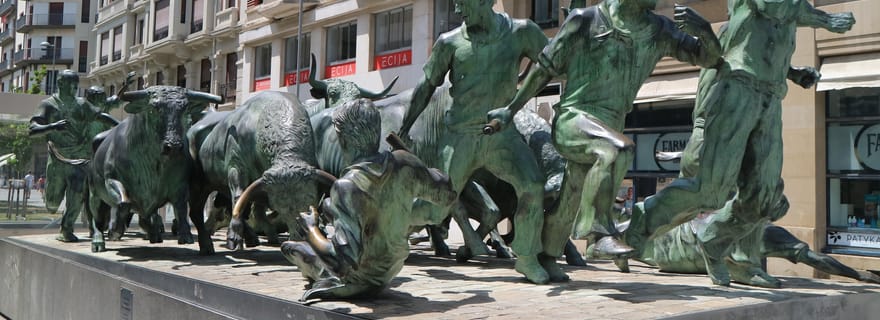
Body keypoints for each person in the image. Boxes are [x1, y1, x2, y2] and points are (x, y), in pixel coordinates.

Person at [625, 0, 855, 286]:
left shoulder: (795, 9)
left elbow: (760, 41)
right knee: (710, 191)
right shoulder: (788, 6)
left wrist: (792, 72)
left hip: (770, 95)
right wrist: (825, 20)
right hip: (738, 87)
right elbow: (772, 7)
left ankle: (722, 247)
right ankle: (640, 222)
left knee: (763, 197)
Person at [486, 0, 722, 277]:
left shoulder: (659, 30)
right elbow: (543, 70)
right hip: (574, 120)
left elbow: (709, 58)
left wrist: (705, 31)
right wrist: (510, 109)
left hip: (610, 124)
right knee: (617, 150)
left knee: (571, 199)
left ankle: (546, 256)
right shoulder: (585, 20)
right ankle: (598, 235)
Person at [397, 0, 553, 283]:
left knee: (532, 185)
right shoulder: (450, 42)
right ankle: (396, 220)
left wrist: (517, 104)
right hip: (460, 138)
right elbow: (426, 86)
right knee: (436, 208)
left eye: (462, 3)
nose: (457, 11)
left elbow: (551, 66)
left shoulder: (522, 32)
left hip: (503, 136)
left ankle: (528, 257)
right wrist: (405, 127)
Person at [281, 100, 456, 300]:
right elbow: (446, 196)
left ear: (344, 140)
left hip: (361, 277)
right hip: (392, 268)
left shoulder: (346, 186)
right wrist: (420, 167)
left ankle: (320, 277)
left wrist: (311, 229)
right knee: (329, 207)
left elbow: (342, 264)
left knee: (291, 248)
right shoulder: (405, 162)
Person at [29, 70, 119, 242]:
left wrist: (121, 127)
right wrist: (53, 126)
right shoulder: (48, 105)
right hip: (57, 160)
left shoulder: (82, 104)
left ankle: (66, 229)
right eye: (71, 84)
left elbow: (101, 116)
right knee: (53, 204)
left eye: (76, 85)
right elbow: (33, 129)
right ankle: (53, 202)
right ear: (60, 84)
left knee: (77, 194)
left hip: (79, 159)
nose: (74, 88)